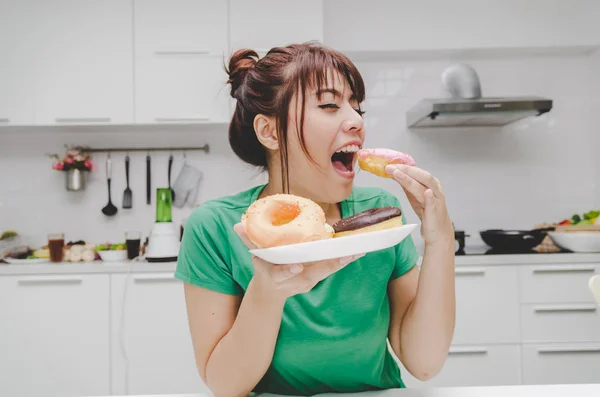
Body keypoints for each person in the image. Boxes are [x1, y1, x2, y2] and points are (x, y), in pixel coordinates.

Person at [175, 42, 455, 397]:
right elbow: (225, 385)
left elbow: (425, 363)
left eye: (357, 106)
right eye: (328, 105)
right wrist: (268, 290)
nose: (356, 121)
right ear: (270, 132)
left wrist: (441, 240)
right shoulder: (217, 227)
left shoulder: (381, 218)